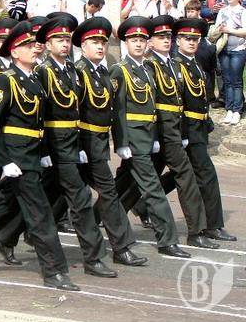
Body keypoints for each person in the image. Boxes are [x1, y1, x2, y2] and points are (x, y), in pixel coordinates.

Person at [0, 21, 79, 291]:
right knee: (40, 214)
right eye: (27, 45)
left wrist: (44, 153)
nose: (34, 49)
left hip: (32, 154)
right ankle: (54, 271)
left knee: (6, 206)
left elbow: (39, 122)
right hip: (17, 157)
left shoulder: (33, 78)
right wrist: (5, 162)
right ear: (14, 52)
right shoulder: (5, 79)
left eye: (34, 44)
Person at [119, 15, 216, 248]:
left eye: (168, 37)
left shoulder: (173, 65)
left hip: (171, 130)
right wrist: (146, 138)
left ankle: (197, 230)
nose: (165, 40)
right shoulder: (148, 65)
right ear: (151, 42)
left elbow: (179, 103)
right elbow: (140, 105)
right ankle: (193, 231)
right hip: (155, 131)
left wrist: (183, 134)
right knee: (141, 179)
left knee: (165, 177)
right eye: (160, 37)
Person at [35, 16, 118, 278]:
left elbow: (78, 111)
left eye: (67, 39)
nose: (64, 44)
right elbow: (39, 115)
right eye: (58, 39)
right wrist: (44, 151)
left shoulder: (72, 70)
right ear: (48, 44)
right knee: (80, 199)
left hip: (72, 143)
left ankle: (3, 236)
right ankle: (94, 258)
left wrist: (81, 145)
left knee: (42, 196)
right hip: (54, 144)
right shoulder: (43, 72)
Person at [109, 17, 189, 258]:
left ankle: (96, 218)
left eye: (142, 40)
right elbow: (118, 110)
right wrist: (121, 142)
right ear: (125, 43)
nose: (138, 44)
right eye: (133, 40)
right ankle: (167, 240)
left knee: (121, 186)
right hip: (133, 140)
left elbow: (151, 108)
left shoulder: (146, 69)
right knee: (153, 189)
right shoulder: (121, 70)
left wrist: (154, 137)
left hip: (146, 137)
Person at [73, 18, 148, 267]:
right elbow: (72, 112)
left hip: (98, 144)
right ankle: (120, 247)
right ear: (83, 46)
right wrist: (77, 147)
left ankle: (6, 236)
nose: (100, 46)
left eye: (103, 42)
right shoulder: (79, 72)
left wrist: (120, 141)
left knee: (105, 193)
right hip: (81, 144)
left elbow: (113, 110)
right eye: (94, 42)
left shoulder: (103, 72)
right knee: (105, 193)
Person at [172, 18, 237, 243]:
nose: (192, 42)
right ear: (178, 41)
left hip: (199, 127)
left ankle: (212, 225)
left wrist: (206, 120)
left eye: (195, 39)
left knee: (172, 177)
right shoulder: (176, 66)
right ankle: (212, 225)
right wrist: (182, 134)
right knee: (205, 174)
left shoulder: (195, 64)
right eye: (187, 38)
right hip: (186, 129)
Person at [214, 0, 246, 125]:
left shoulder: (242, 11)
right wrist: (220, 28)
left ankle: (237, 109)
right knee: (227, 80)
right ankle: (229, 108)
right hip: (224, 48)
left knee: (236, 80)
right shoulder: (223, 11)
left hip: (238, 49)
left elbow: (244, 31)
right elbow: (217, 27)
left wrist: (229, 30)